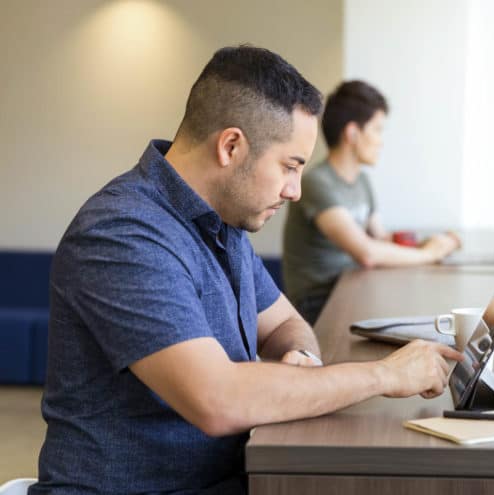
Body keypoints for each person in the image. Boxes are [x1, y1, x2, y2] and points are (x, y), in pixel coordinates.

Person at [30, 47, 462, 495]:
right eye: (290, 166)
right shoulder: (122, 234)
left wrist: (303, 362)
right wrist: (386, 375)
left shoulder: (224, 224)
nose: (295, 190)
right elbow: (216, 399)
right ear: (231, 146)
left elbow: (286, 325)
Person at [283, 80, 461, 325]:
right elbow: (367, 252)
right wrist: (428, 255)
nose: (381, 140)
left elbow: (380, 239)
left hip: (352, 287)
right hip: (320, 303)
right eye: (377, 129)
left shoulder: (362, 182)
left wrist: (428, 243)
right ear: (353, 133)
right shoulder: (317, 183)